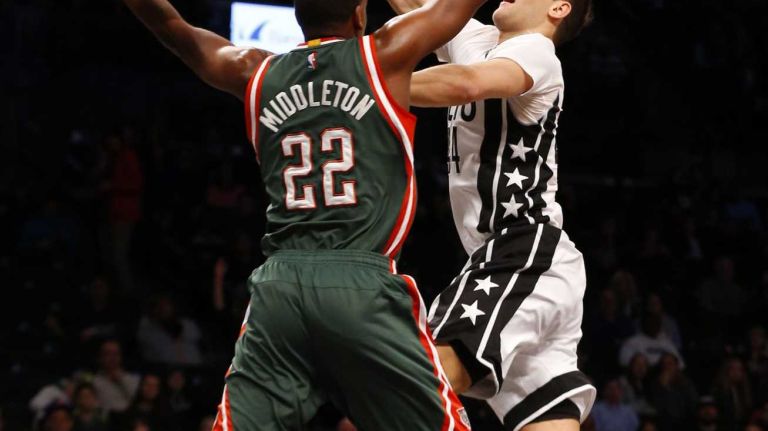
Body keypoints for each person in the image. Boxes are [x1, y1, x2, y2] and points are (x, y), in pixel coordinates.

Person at [121, 0, 487, 429]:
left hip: (279, 289)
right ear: (359, 14)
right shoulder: (382, 53)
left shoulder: (253, 70)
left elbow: (172, 26)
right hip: (360, 284)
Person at [385, 0, 595, 429]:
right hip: (529, 263)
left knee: (423, 373)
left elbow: (466, 84)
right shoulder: (479, 40)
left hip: (523, 250)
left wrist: (374, 82)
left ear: (557, 8)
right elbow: (421, 8)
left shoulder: (537, 50)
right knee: (547, 417)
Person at [92, 340, 140, 414]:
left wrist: (121, 380)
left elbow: (139, 401)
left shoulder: (133, 379)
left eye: (115, 354)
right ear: (100, 357)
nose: (112, 358)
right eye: (108, 354)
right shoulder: (94, 382)